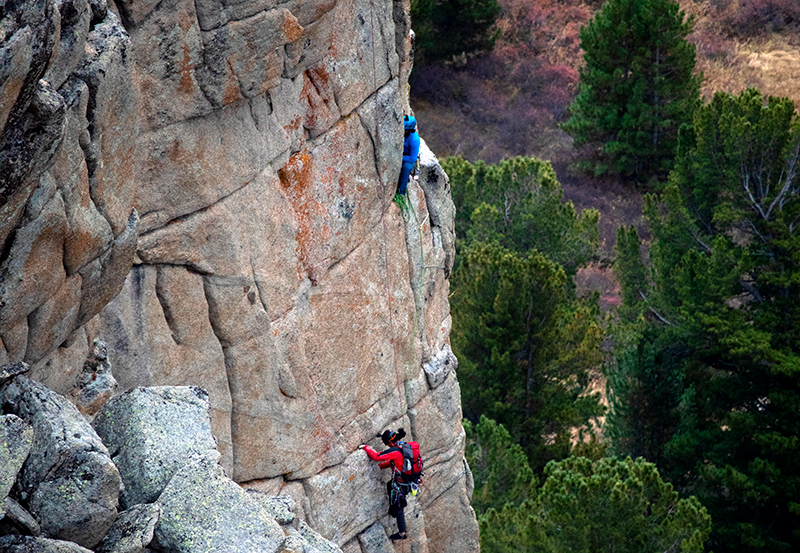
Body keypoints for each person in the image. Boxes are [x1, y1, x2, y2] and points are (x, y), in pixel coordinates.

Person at [360, 428, 411, 541]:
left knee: (399, 508)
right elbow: (397, 461)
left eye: (386, 443)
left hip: (400, 484)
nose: (387, 446)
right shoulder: (404, 446)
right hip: (408, 481)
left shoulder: (395, 451)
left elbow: (377, 457)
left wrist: (366, 448)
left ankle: (402, 533)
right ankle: (393, 510)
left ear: (389, 442)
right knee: (390, 486)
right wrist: (381, 467)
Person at [398, 115, 420, 196]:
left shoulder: (414, 140)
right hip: (401, 153)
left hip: (409, 158)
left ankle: (401, 192)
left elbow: (412, 158)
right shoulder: (403, 134)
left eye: (404, 129)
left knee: (405, 167)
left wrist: (400, 158)